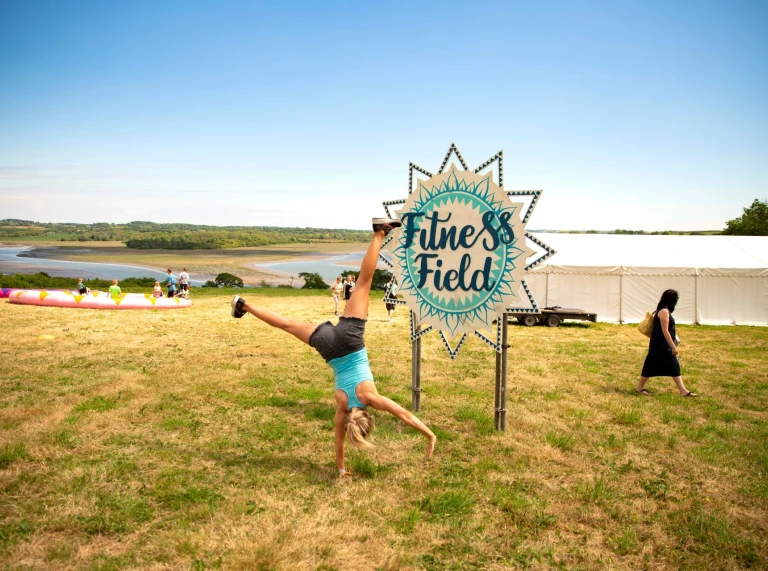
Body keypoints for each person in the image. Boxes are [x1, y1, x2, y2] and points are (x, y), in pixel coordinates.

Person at [230, 218, 436, 478]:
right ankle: (244, 305)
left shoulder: (371, 398)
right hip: (328, 346)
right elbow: (338, 442)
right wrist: (340, 469)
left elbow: (404, 415)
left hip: (350, 338)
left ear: (370, 419)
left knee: (363, 282)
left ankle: (380, 233)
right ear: (352, 423)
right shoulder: (341, 407)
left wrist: (430, 435)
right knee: (287, 325)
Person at [636, 289, 697, 397]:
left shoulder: (663, 310)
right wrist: (673, 346)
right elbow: (665, 330)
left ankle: (640, 387)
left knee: (655, 364)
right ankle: (683, 391)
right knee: (671, 365)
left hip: (659, 344)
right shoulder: (664, 311)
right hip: (661, 345)